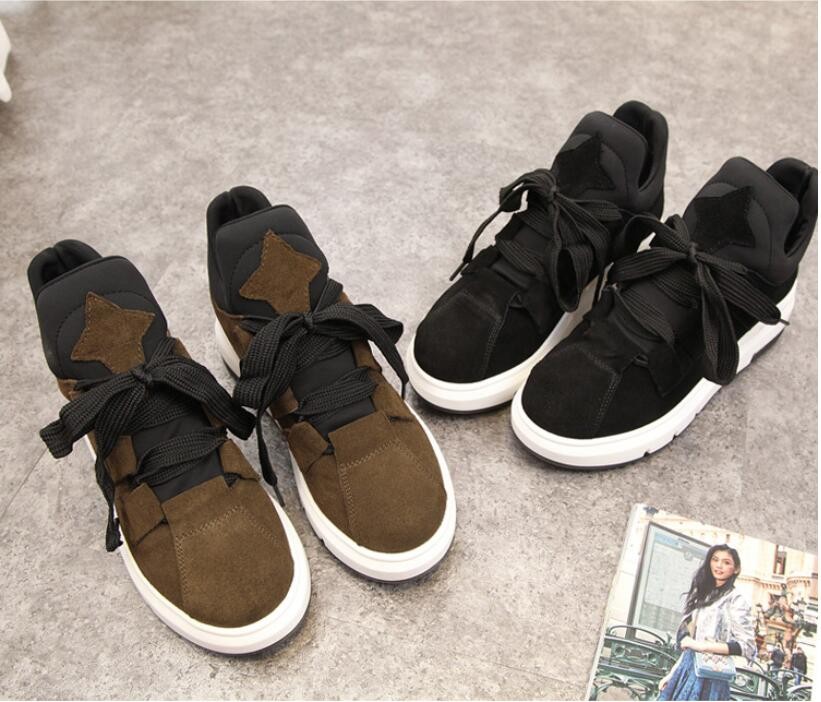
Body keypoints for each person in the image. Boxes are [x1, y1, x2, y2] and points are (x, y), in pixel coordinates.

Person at [658, 545, 756, 700]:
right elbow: (690, 644)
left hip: (711, 675)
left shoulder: (736, 599)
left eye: (726, 562)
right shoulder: (704, 595)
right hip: (686, 670)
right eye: (715, 560)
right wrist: (672, 674)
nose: (719, 565)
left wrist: (701, 646)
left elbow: (746, 646)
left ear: (736, 569)